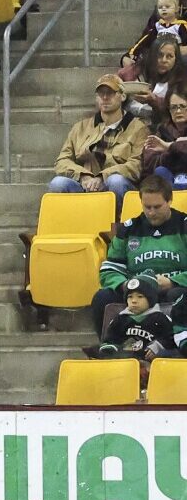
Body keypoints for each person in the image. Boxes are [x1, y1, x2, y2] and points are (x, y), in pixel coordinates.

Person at [93, 175, 187, 336]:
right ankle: (109, 348)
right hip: (135, 291)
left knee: (176, 295)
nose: (151, 213)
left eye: (157, 207)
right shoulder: (128, 229)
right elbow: (109, 269)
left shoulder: (184, 225)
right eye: (147, 207)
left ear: (170, 200)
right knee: (102, 297)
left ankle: (176, 348)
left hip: (174, 288)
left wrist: (173, 282)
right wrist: (126, 286)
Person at [50, 73, 146, 206]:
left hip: (115, 185)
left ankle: (119, 226)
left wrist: (103, 176)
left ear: (123, 96)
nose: (105, 97)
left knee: (116, 181)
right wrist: (83, 176)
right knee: (58, 183)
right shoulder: (80, 127)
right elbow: (62, 161)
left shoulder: (138, 128)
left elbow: (137, 165)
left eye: (111, 93)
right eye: (101, 94)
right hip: (85, 186)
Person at [143, 93, 187, 189]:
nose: (178, 111)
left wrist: (169, 147)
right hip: (169, 179)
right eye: (174, 107)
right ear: (169, 110)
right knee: (160, 171)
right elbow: (150, 163)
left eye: (183, 106)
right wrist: (177, 149)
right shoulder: (162, 131)